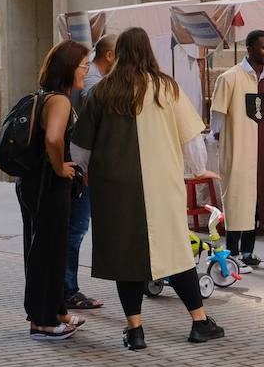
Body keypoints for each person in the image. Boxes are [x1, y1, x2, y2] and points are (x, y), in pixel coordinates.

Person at [71, 28, 226, 350]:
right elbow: (191, 138)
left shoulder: (103, 91)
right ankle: (199, 321)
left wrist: (86, 171)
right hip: (162, 186)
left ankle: (135, 330)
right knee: (176, 252)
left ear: (120, 53)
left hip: (114, 187)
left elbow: (80, 149)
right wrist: (199, 169)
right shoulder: (166, 88)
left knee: (124, 257)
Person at [18, 40, 91, 341]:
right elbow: (52, 139)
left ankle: (56, 310)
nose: (86, 71)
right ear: (69, 67)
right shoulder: (60, 101)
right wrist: (61, 167)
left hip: (36, 183)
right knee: (46, 252)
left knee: (51, 249)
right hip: (48, 185)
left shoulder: (45, 96)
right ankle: (43, 321)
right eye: (84, 66)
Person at [211, 29, 264, 270]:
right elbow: (217, 117)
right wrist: (222, 141)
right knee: (236, 200)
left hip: (261, 149)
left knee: (256, 200)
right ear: (249, 49)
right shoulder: (229, 78)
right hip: (238, 148)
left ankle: (248, 253)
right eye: (263, 47)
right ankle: (232, 255)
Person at [64, 33, 116, 310]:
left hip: (81, 169)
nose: (85, 69)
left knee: (75, 229)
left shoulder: (78, 86)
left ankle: (65, 288)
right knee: (76, 230)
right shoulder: (93, 84)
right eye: (82, 65)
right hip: (81, 171)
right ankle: (67, 289)